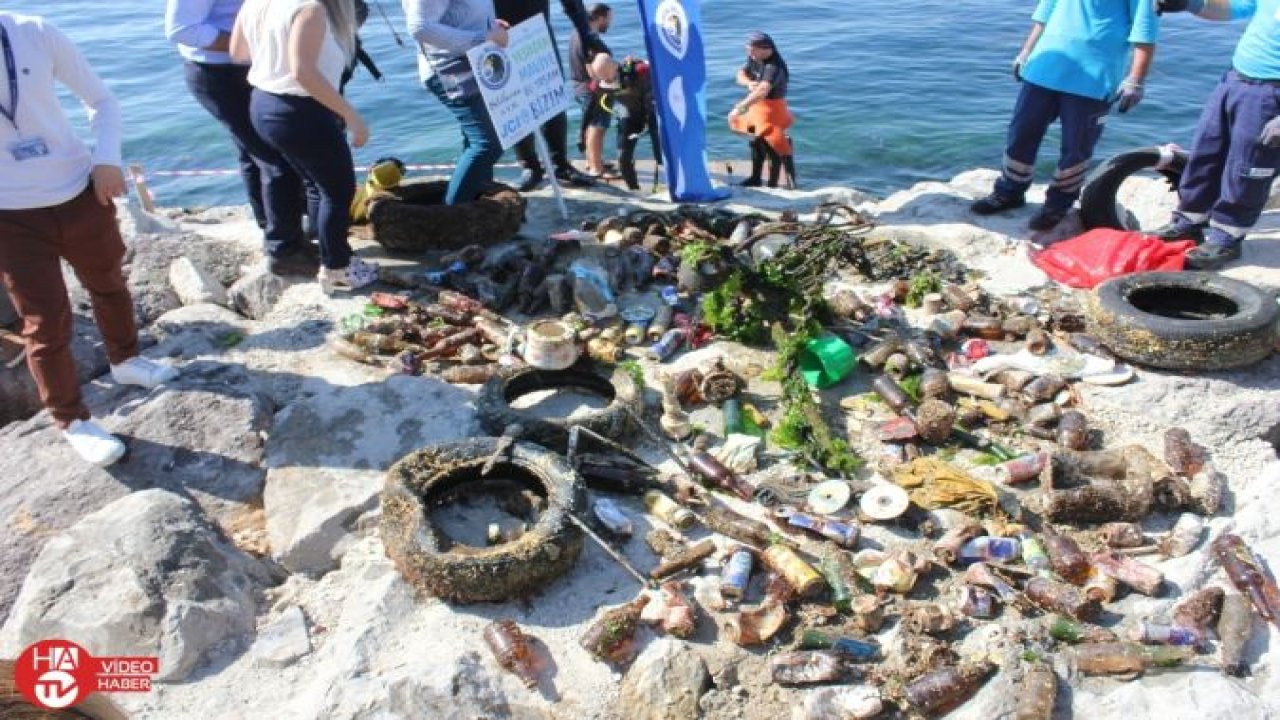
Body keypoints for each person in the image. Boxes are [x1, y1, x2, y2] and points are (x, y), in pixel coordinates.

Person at [0, 11, 180, 466]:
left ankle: (126, 361)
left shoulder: (33, 31)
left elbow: (102, 100)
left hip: (80, 191)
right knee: (44, 320)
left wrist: (106, 159)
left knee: (109, 282)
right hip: (10, 216)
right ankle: (72, 420)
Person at [971, 0, 1158, 231]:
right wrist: (1026, 51)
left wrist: (1135, 80)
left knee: (1076, 148)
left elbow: (1145, 33)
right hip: (1043, 69)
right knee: (1021, 133)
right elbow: (1043, 17)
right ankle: (1009, 192)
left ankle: (1058, 205)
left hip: (1093, 79)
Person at [232, 0, 378, 293]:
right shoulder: (312, 9)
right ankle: (337, 268)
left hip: (263, 103)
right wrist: (352, 116)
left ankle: (329, 250)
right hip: (299, 110)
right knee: (338, 191)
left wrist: (275, 58)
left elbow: (238, 53)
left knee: (316, 184)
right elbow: (304, 73)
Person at [165, 0, 318, 277]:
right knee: (277, 157)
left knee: (253, 154)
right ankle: (284, 250)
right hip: (220, 72)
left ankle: (274, 227)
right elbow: (182, 29)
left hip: (246, 67)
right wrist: (252, 42)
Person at [1151, 0, 1280, 269]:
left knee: (1248, 169)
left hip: (1272, 94)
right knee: (1206, 153)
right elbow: (1235, 8)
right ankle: (1190, 221)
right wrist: (1190, 4)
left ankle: (1226, 237)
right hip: (1235, 78)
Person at [404, 0, 510, 206]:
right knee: (488, 144)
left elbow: (456, 14)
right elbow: (420, 27)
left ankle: (477, 204)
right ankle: (453, 215)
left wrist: (489, 26)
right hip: (450, 69)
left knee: (477, 140)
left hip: (475, 62)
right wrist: (483, 37)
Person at [496, 0, 605, 191]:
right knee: (514, 104)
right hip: (501, 38)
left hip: (539, 35)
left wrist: (586, 34)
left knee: (553, 100)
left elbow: (571, 3)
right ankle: (530, 166)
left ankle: (560, 165)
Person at [729, 32, 795, 189]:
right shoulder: (755, 58)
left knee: (774, 146)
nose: (749, 54)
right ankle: (755, 178)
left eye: (752, 50)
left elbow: (763, 90)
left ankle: (774, 184)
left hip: (772, 110)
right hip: (757, 109)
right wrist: (748, 83)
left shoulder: (773, 66)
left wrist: (740, 107)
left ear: (766, 49)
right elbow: (740, 73)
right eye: (748, 49)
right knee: (756, 144)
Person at [593, 53, 659, 191]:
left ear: (614, 67)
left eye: (608, 77)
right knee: (623, 158)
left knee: (662, 154)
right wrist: (583, 131)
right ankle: (634, 190)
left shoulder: (640, 70)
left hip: (654, 114)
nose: (607, 81)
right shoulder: (598, 86)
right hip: (630, 116)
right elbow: (591, 111)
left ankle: (674, 183)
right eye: (603, 78)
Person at [571, 3, 613, 178]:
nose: (610, 23)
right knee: (598, 127)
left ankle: (592, 162)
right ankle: (596, 168)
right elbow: (593, 70)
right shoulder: (590, 38)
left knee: (590, 126)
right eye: (609, 19)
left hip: (579, 85)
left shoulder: (577, 33)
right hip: (593, 88)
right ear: (600, 17)